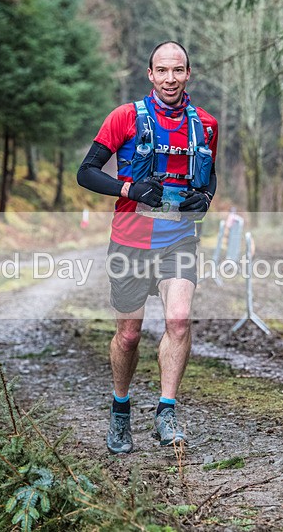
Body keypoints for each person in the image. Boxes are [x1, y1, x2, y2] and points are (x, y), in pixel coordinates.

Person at [77, 41, 218, 454]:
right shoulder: (125, 117)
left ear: (188, 74)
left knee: (179, 321)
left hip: (179, 238)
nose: (170, 78)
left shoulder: (206, 124)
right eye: (163, 70)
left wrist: (205, 198)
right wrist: (129, 189)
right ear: (150, 74)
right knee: (129, 335)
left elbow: (210, 174)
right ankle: (120, 410)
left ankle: (166, 411)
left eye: (178, 70)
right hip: (130, 241)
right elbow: (86, 172)